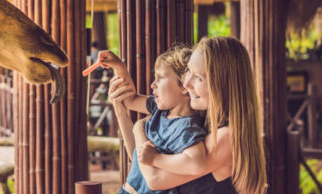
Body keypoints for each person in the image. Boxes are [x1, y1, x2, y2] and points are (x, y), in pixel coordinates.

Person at [108, 36, 267, 194]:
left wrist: (139, 128)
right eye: (189, 71)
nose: (186, 83)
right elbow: (140, 163)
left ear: (222, 84)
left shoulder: (226, 137)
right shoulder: (201, 121)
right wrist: (120, 110)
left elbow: (154, 179)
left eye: (198, 77)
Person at [98, 45, 209, 193]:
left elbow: (196, 162)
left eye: (160, 78)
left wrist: (155, 158)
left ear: (184, 86)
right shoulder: (160, 110)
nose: (152, 85)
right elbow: (129, 100)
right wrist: (119, 67)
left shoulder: (186, 127)